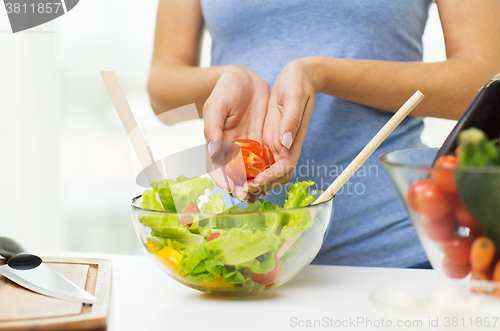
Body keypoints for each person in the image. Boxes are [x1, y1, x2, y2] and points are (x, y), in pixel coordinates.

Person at [147, 0, 500, 268]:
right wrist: (221, 80)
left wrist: (324, 75)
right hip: (243, 255)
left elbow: (483, 76)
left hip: (397, 256)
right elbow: (161, 90)